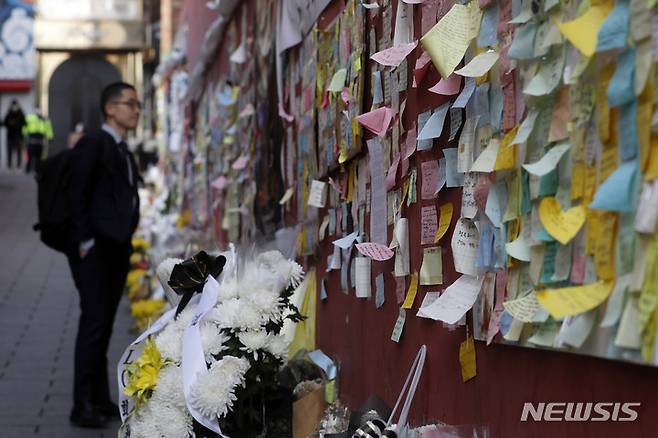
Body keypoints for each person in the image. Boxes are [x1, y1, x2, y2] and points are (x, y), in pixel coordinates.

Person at [67, 82, 141, 428]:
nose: (136, 110)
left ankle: (98, 397)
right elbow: (76, 192)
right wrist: (85, 242)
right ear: (110, 109)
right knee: (94, 325)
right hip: (96, 250)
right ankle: (81, 403)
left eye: (137, 105)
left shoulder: (121, 147)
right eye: (130, 104)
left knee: (104, 324)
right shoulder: (94, 143)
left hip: (115, 249)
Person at [22, 108, 53, 173]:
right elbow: (24, 126)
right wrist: (24, 134)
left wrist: (50, 137)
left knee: (38, 156)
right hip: (31, 139)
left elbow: (48, 128)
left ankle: (37, 170)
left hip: (40, 140)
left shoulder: (44, 119)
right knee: (30, 156)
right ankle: (28, 169)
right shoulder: (29, 117)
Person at [3, 99, 25, 171]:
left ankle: (19, 166)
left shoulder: (21, 113)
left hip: (19, 136)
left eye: (15, 105)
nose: (14, 107)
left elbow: (25, 123)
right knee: (9, 151)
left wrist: (17, 123)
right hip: (10, 136)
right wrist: (10, 123)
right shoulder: (9, 113)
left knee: (19, 151)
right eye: (13, 105)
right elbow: (4, 123)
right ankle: (9, 165)